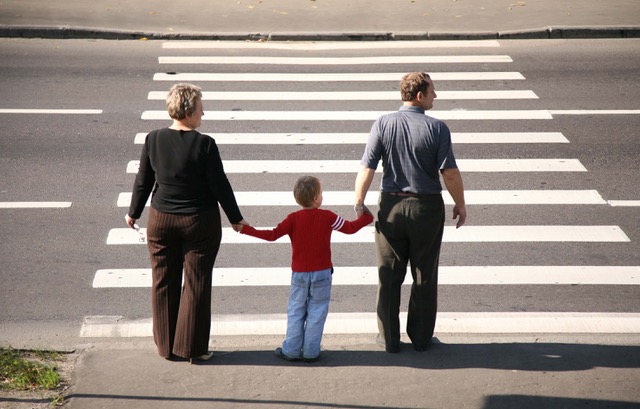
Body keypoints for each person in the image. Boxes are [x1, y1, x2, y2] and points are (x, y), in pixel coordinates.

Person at [125, 83, 247, 364]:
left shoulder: (153, 139)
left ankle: (166, 347)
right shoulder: (204, 144)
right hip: (199, 222)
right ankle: (192, 348)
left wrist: (134, 212)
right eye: (200, 108)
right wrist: (235, 218)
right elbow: (220, 185)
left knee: (163, 281)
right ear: (189, 112)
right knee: (196, 283)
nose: (203, 112)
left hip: (161, 220)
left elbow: (144, 180)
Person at [354, 72, 467, 353]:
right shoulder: (438, 128)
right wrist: (461, 204)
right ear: (420, 96)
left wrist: (359, 202)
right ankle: (420, 338)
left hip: (390, 206)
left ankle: (390, 339)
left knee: (389, 274)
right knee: (424, 274)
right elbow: (449, 173)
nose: (435, 96)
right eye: (432, 92)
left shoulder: (383, 123)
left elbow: (367, 167)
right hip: (426, 208)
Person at [237, 176, 374, 362]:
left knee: (296, 309)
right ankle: (311, 351)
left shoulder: (293, 219)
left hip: (299, 273)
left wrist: (246, 229)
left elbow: (272, 235)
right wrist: (367, 217)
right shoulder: (328, 217)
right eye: (322, 193)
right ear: (317, 197)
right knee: (317, 310)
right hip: (323, 272)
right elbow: (349, 228)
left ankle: (291, 350)